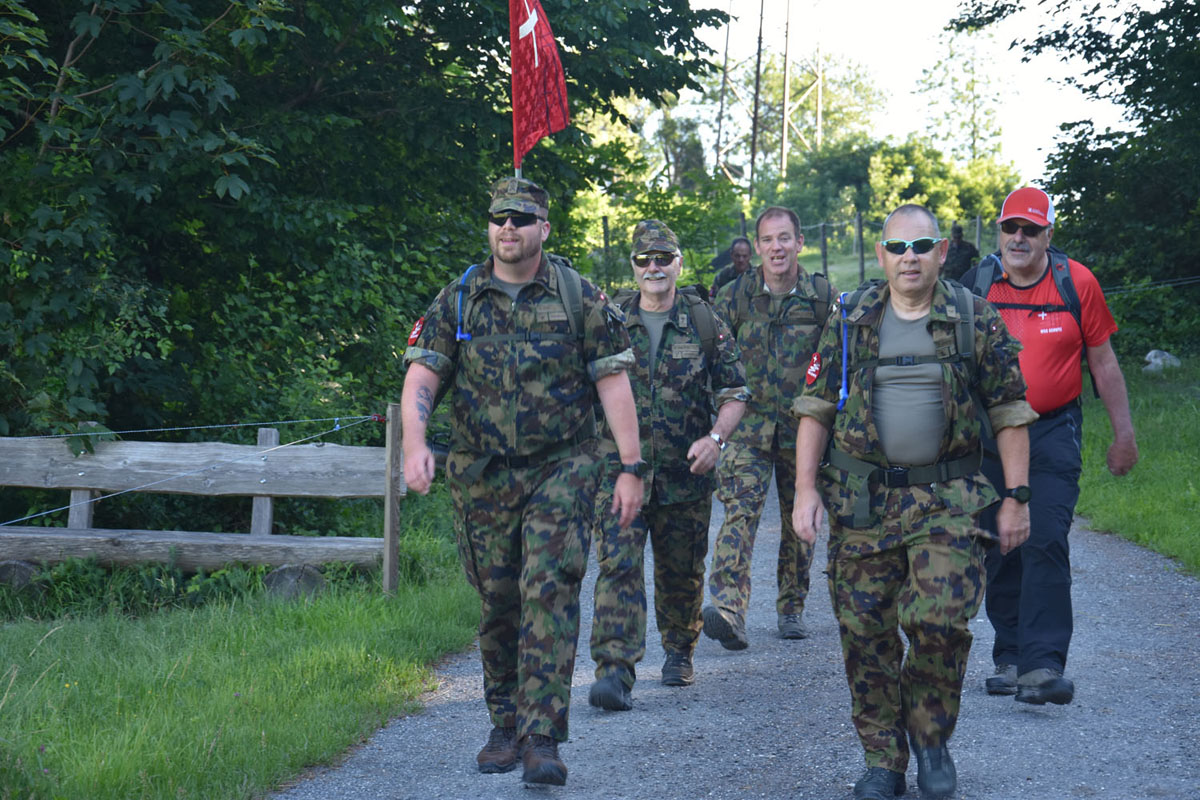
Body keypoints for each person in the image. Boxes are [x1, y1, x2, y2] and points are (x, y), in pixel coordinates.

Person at [400, 177, 645, 787]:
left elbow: (613, 383)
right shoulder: (460, 297)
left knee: (549, 588)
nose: (507, 227)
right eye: (499, 217)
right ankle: (504, 723)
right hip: (481, 475)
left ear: (544, 228)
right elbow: (424, 376)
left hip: (561, 467)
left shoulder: (578, 296)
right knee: (498, 600)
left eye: (521, 217)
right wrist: (415, 442)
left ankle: (542, 737)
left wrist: (630, 467)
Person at [792, 204, 1036, 800]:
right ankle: (883, 760)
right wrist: (804, 489)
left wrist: (1017, 498)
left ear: (941, 252)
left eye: (922, 246)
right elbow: (815, 408)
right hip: (863, 501)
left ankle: (930, 738)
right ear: (882, 255)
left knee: (941, 621)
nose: (910, 258)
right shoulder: (850, 318)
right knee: (864, 632)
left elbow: (1009, 410)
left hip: (947, 498)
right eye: (898, 248)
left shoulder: (974, 317)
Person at [963, 186, 1139, 705]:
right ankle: (1009, 655)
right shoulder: (976, 286)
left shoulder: (1076, 282)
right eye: (1010, 228)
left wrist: (1124, 435)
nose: (1019, 238)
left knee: (1044, 535)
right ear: (999, 231)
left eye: (1031, 229)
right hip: (990, 434)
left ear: (1048, 235)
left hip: (1053, 429)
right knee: (1000, 541)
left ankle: (1041, 665)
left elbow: (1103, 362)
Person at [588, 220, 749, 711]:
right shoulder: (610, 320)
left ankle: (679, 649)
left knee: (681, 571)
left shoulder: (704, 321)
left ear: (678, 263)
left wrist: (716, 439)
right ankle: (614, 670)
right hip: (621, 474)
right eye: (645, 259)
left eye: (663, 258)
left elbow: (735, 392)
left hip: (685, 476)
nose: (654, 267)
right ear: (633, 267)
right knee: (618, 566)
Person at [702, 207, 833, 649]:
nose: (776, 247)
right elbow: (713, 359)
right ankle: (728, 610)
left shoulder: (821, 298)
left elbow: (839, 362)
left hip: (803, 431)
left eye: (784, 238)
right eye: (768, 240)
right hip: (747, 428)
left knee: (800, 521)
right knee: (739, 514)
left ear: (799, 243)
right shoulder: (733, 297)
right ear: (757, 247)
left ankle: (791, 606)